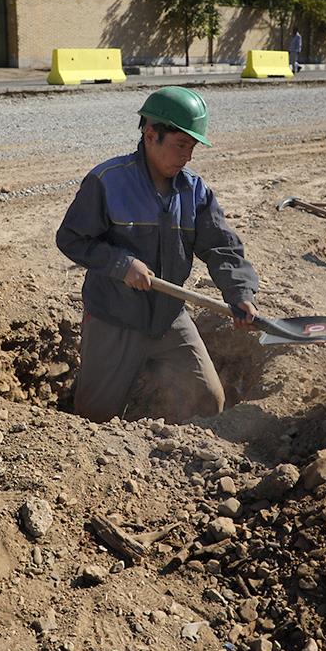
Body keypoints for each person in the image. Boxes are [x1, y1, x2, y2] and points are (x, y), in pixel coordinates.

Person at [56, 86, 259, 424]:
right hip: (114, 318)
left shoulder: (195, 191)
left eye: (192, 147)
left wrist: (240, 292)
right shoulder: (108, 181)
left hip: (169, 317)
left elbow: (222, 247)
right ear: (151, 135)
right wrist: (121, 265)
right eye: (181, 144)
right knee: (93, 419)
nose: (187, 156)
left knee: (209, 400)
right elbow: (71, 239)